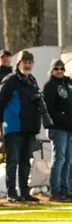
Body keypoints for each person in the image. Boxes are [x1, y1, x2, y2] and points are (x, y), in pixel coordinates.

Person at [0, 50, 41, 202]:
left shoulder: (32, 81)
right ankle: (11, 192)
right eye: (24, 62)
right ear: (18, 64)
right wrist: (5, 121)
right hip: (14, 127)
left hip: (29, 127)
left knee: (25, 161)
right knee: (12, 161)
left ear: (32, 64)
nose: (27, 65)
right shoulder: (10, 80)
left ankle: (25, 192)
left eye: (29, 62)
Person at [43, 59, 72, 202]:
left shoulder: (67, 85)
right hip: (58, 128)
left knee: (68, 160)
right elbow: (48, 108)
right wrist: (62, 118)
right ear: (52, 70)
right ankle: (55, 191)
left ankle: (66, 189)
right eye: (56, 69)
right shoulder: (49, 86)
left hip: (69, 128)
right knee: (59, 159)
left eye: (61, 68)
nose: (59, 71)